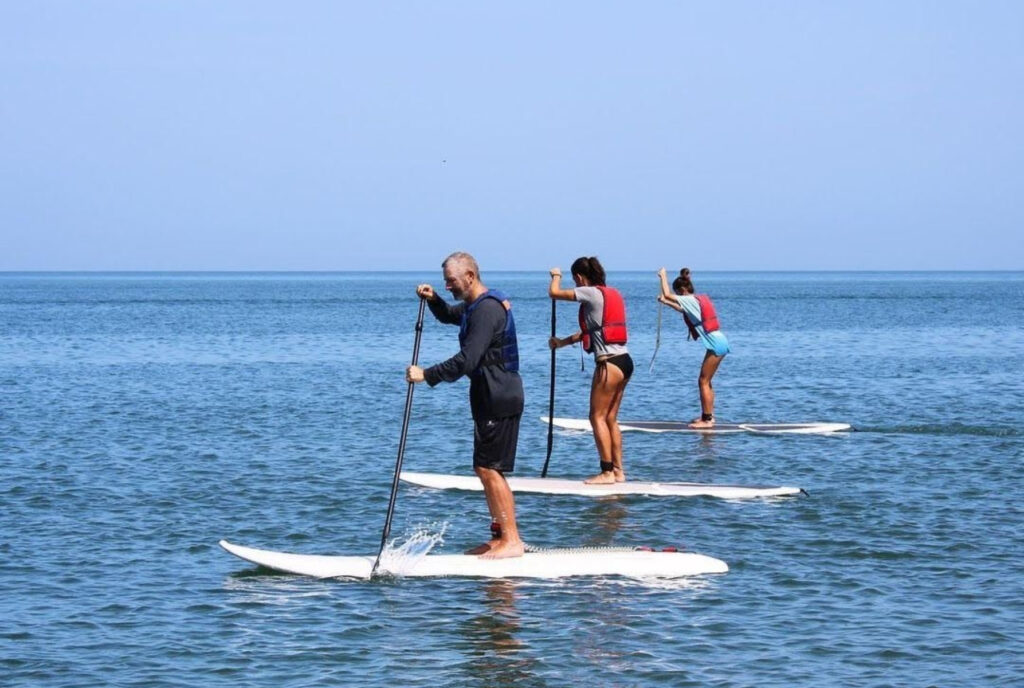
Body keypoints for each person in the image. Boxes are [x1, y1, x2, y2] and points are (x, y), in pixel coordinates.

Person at [406, 252, 525, 559]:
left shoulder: (486, 310)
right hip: (490, 395)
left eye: (451, 281)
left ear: (470, 276)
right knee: (485, 468)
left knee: (490, 469)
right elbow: (450, 315)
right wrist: (434, 300)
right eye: (445, 282)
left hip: (499, 396)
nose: (448, 286)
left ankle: (512, 540)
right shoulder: (475, 307)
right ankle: (500, 538)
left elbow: (467, 360)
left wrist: (427, 374)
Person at [548, 257, 634, 484]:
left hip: (608, 365)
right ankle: (618, 471)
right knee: (611, 419)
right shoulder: (609, 293)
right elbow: (590, 331)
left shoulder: (589, 291)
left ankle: (606, 472)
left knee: (596, 417)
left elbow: (554, 293)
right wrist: (561, 343)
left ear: (579, 277)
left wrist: (555, 276)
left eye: (573, 278)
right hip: (625, 361)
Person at [657, 267, 730, 428]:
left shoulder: (689, 299)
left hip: (716, 343)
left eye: (677, 293)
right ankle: (707, 416)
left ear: (682, 291)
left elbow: (669, 294)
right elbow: (680, 308)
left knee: (703, 381)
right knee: (707, 381)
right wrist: (665, 302)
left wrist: (663, 276)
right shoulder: (695, 300)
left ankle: (707, 420)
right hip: (718, 341)